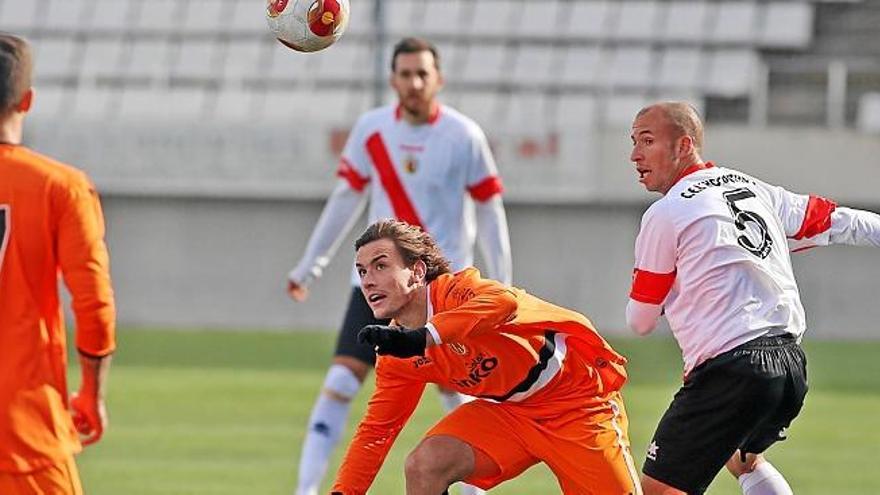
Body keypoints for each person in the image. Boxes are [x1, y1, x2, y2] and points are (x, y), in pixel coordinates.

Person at [286, 37, 511, 495]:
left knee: (464, 394)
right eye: (405, 74)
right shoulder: (371, 130)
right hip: (377, 286)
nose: (414, 83)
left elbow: (489, 207)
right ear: (393, 80)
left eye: (422, 74)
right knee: (340, 381)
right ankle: (306, 490)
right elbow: (345, 198)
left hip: (443, 289)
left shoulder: (464, 135)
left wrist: (501, 280)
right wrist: (311, 265)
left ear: (438, 79)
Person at [625, 101, 880, 495]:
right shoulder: (752, 188)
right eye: (633, 142)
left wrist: (665, 284)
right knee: (743, 459)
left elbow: (639, 321)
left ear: (683, 145)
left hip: (732, 369)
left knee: (659, 491)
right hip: (789, 366)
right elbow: (839, 221)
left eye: (647, 140)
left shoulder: (666, 213)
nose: (635, 155)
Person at [329, 219, 638, 495]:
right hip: (511, 415)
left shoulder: (454, 292)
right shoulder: (399, 353)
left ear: (418, 271)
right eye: (362, 271)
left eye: (381, 266)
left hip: (577, 404)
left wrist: (425, 337)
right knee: (425, 465)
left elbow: (505, 301)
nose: (367, 281)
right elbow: (376, 432)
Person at [0, 33, 116, 494]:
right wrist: (92, 389)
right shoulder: (59, 187)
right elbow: (94, 304)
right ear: (26, 100)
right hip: (23, 430)